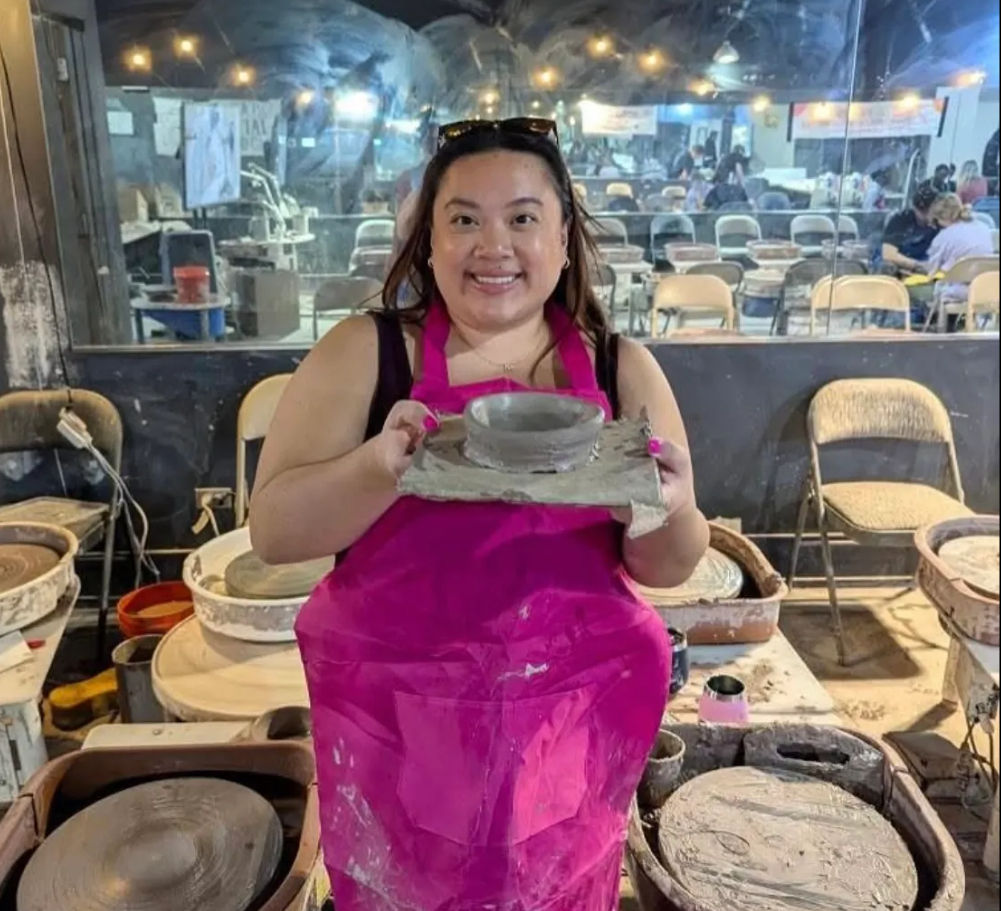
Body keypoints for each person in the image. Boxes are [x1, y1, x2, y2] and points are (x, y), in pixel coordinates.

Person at [250, 117, 708, 909]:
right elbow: (277, 532)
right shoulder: (367, 354)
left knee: (549, 888)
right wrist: (378, 468)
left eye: (523, 218)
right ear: (428, 241)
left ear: (564, 240)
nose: (491, 244)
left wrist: (662, 506)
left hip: (565, 718)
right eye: (463, 219)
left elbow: (669, 565)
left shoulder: (617, 365)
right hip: (398, 721)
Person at [924, 192, 994, 310]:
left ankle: (939, 325)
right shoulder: (983, 227)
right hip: (987, 286)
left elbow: (932, 272)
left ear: (940, 218)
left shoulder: (943, 237)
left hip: (959, 292)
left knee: (934, 289)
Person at [881, 184, 940, 273]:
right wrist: (918, 265)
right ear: (915, 208)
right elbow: (889, 254)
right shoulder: (900, 219)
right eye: (924, 212)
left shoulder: (940, 222)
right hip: (901, 267)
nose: (929, 217)